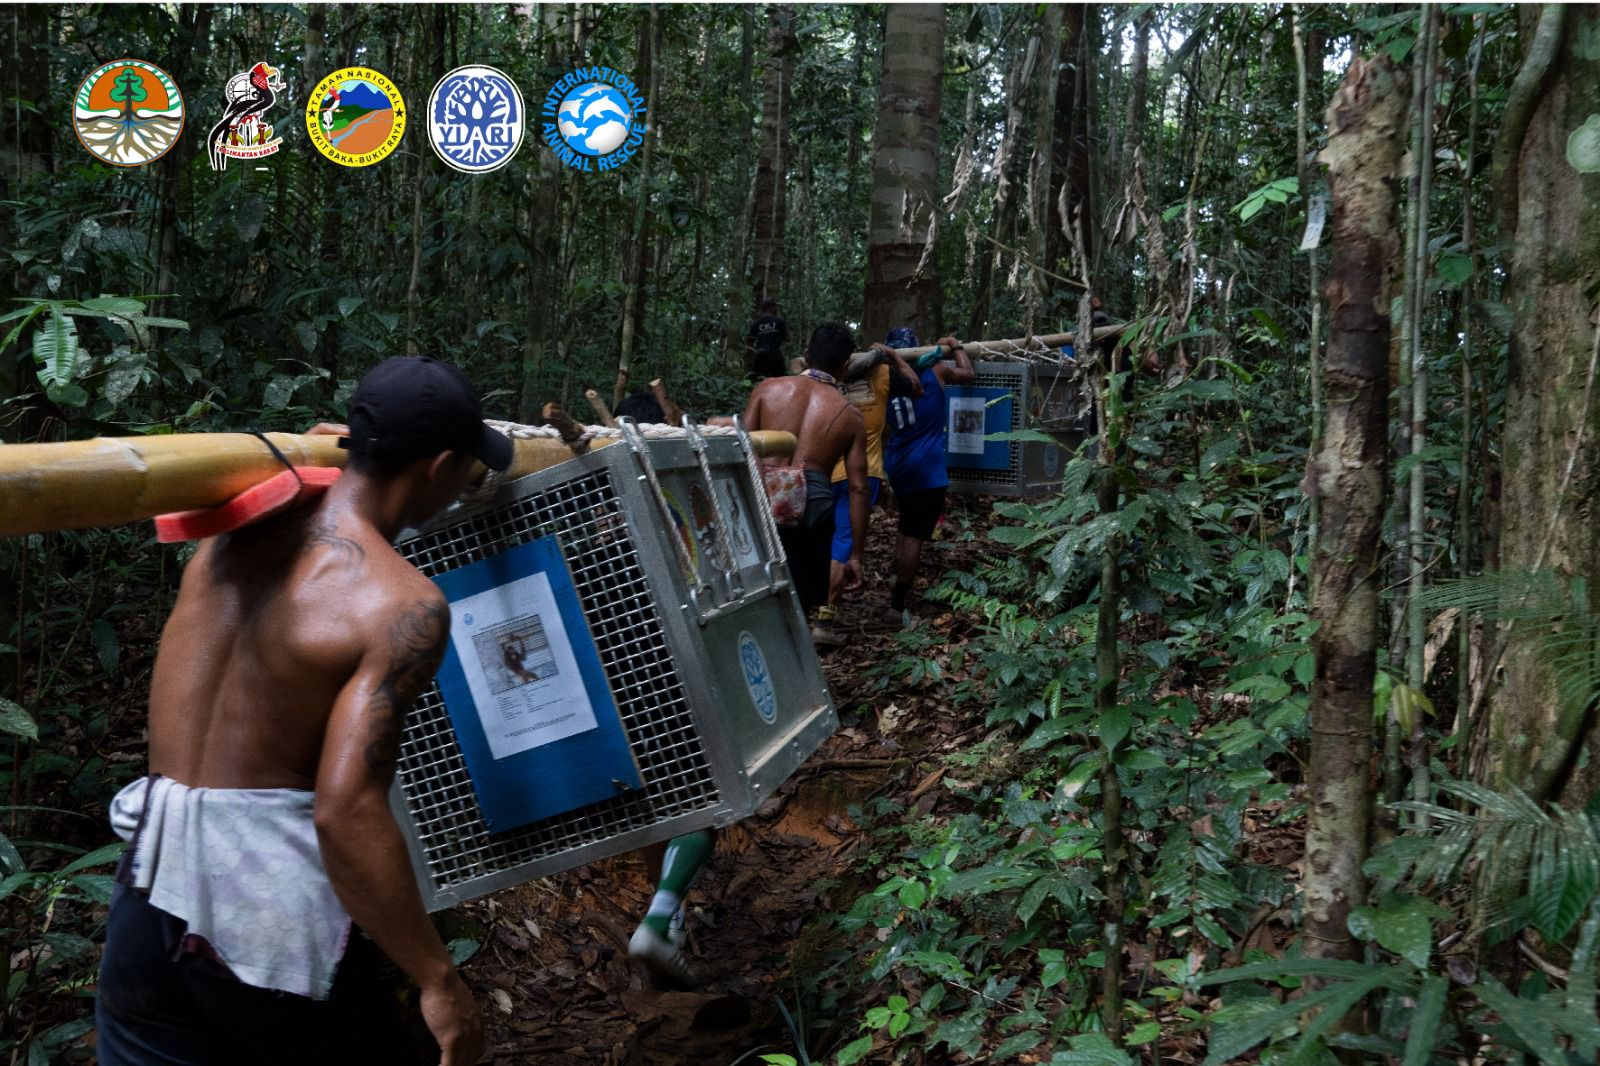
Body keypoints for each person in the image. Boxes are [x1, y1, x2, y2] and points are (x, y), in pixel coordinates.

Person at [95, 356, 510, 1066]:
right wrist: (438, 978)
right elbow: (344, 811)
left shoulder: (228, 536)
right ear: (440, 464)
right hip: (261, 911)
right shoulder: (399, 604)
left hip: (150, 885)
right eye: (468, 468)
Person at [627, 323, 868, 986]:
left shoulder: (768, 389)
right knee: (789, 599)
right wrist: (853, 555)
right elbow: (855, 488)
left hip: (753, 499)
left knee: (744, 584)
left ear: (803, 359)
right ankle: (790, 663)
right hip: (811, 496)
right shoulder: (846, 413)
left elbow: (731, 450)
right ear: (844, 365)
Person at [811, 333, 922, 647]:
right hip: (863, 472)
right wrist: (894, 357)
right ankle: (824, 621)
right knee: (843, 544)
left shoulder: (824, 380)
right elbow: (916, 386)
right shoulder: (885, 374)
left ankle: (816, 604)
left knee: (822, 539)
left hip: (821, 468)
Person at [882, 332, 975, 628]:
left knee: (907, 521)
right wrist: (957, 346)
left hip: (897, 462)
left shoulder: (884, 378)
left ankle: (898, 575)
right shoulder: (936, 370)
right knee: (913, 533)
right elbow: (968, 374)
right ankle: (897, 605)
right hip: (926, 466)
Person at [744, 298, 789, 380]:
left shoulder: (756, 323)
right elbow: (787, 338)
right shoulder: (779, 321)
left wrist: (750, 359)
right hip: (776, 358)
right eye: (775, 307)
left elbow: (749, 341)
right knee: (779, 382)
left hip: (760, 357)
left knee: (759, 382)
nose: (776, 309)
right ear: (771, 308)